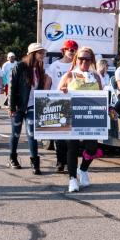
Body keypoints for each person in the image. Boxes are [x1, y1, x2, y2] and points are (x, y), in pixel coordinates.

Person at [59, 47, 104, 192]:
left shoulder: (96, 77)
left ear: (91, 60)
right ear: (76, 60)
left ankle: (83, 170)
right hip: (72, 117)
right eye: (81, 58)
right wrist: (63, 92)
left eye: (87, 59)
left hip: (91, 118)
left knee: (92, 148)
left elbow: (102, 96)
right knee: (72, 148)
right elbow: (56, 96)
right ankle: (72, 179)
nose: (84, 61)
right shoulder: (69, 75)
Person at [8, 43, 50, 173]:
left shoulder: (40, 68)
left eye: (43, 53)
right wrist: (11, 106)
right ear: (32, 54)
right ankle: (12, 158)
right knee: (16, 133)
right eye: (40, 53)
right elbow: (12, 87)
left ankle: (35, 163)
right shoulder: (19, 67)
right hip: (19, 106)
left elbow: (41, 86)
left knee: (32, 133)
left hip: (33, 104)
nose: (42, 55)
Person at [46, 40, 78, 173]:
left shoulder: (77, 66)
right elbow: (47, 84)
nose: (72, 52)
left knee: (71, 137)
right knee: (59, 136)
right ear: (64, 50)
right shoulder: (54, 66)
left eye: (74, 50)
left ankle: (70, 162)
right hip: (57, 102)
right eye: (70, 50)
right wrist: (45, 101)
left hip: (73, 103)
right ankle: (60, 162)